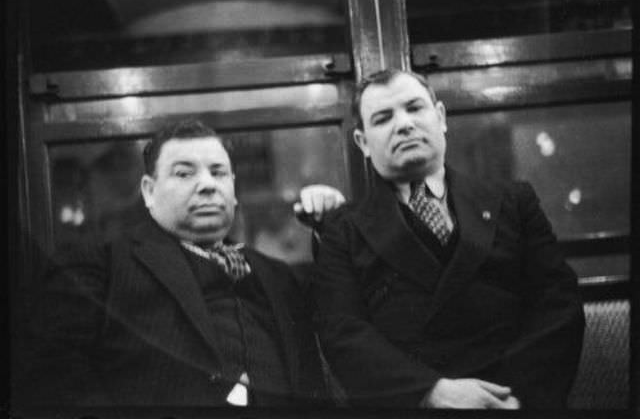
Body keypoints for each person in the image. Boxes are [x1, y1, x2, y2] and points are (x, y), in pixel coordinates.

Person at [21, 119, 344, 408]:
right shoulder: (97, 266)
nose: (207, 184)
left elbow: (343, 321)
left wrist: (333, 228)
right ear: (149, 191)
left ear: (233, 189)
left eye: (218, 172)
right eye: (184, 173)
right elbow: (54, 378)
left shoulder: (278, 276)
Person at [313, 69, 585, 410]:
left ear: (440, 117)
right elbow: (343, 334)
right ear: (363, 142)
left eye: (414, 108)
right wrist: (432, 392)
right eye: (383, 118)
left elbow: (558, 303)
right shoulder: (344, 229)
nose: (404, 124)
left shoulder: (513, 202)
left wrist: (511, 398)